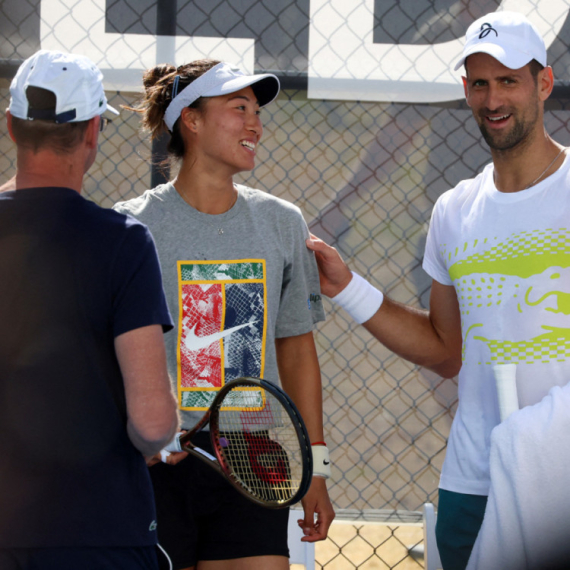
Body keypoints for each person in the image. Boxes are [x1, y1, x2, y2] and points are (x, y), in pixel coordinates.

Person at [306, 11, 570, 570]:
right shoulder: (453, 211)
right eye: (479, 83)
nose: (493, 98)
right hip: (471, 480)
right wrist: (346, 286)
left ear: (543, 83)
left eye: (508, 81)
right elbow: (445, 350)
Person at [113, 59, 335, 570]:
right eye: (238, 108)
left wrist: (316, 470)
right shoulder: (129, 227)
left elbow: (298, 348)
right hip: (155, 466)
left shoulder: (282, 223)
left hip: (251, 458)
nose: (255, 123)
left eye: (256, 110)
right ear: (190, 119)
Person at [0, 50, 179, 570]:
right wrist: (156, 437)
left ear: (11, 128)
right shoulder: (122, 243)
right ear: (93, 132)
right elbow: (151, 423)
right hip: (98, 531)